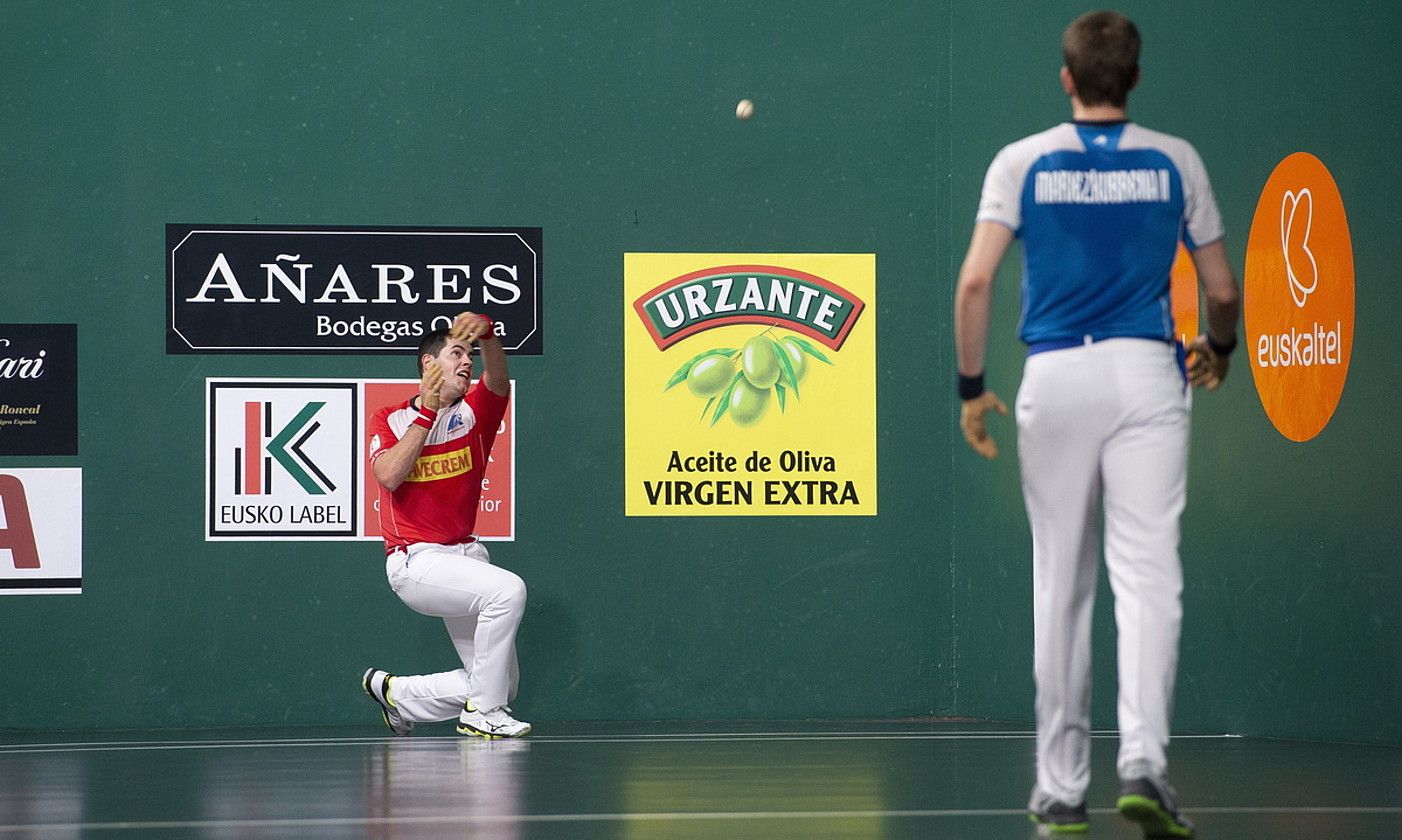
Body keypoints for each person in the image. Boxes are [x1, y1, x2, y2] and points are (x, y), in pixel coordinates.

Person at [953, 11, 1240, 838]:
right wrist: (1219, 350)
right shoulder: (1176, 160)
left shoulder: (1024, 161)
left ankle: (1061, 788)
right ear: (1135, 79)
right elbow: (1221, 292)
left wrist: (973, 387)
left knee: (1062, 585)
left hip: (1057, 376)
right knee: (1150, 580)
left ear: (1069, 79)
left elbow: (976, 284)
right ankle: (1145, 763)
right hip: (1149, 376)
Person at [360, 311, 530, 739]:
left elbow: (498, 380)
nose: (467, 362)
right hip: (415, 562)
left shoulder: (476, 413)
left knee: (500, 683)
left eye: (470, 355)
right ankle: (481, 714)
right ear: (428, 365)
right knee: (508, 591)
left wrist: (487, 335)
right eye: (457, 353)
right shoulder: (389, 419)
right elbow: (389, 475)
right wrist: (427, 414)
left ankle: (399, 695)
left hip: (464, 557)